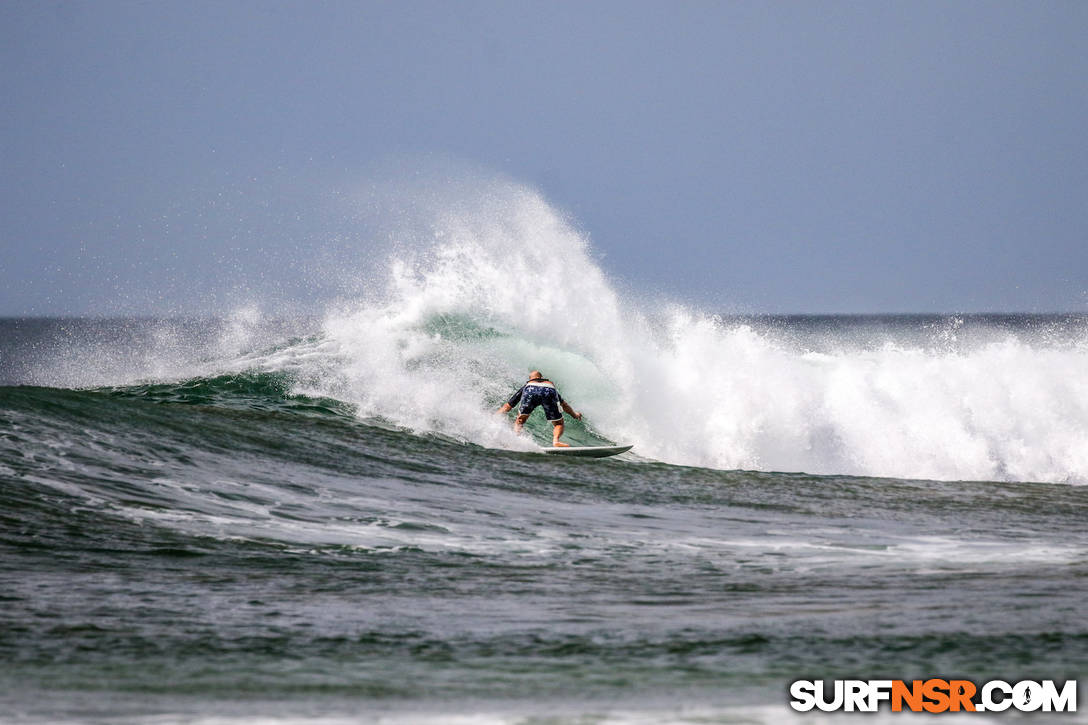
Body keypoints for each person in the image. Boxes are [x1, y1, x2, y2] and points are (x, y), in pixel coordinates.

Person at [497, 370, 582, 447]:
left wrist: (494, 417)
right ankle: (555, 441)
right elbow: (564, 405)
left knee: (520, 420)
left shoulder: (527, 385)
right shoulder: (549, 384)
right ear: (540, 377)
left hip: (530, 390)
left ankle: (516, 439)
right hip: (548, 390)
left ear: (530, 379)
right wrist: (575, 415)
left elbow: (508, 406)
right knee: (558, 424)